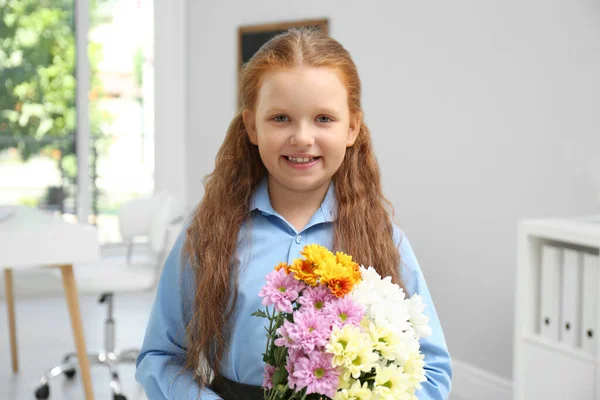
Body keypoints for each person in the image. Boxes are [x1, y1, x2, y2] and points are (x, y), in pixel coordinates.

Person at [135, 27, 452, 400]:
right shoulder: (208, 230)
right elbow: (160, 357)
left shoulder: (383, 237)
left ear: (352, 127)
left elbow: (432, 370)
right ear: (252, 126)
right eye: (281, 118)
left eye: (323, 119)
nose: (302, 137)